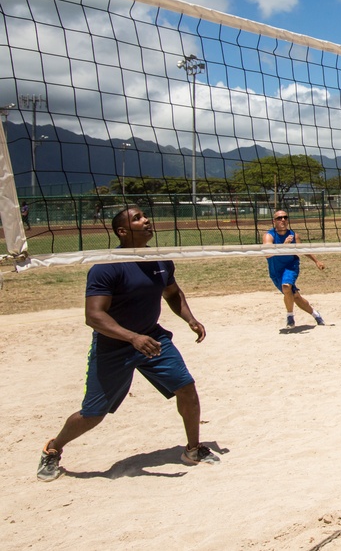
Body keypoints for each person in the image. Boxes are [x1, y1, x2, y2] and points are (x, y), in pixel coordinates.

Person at [36, 206, 218, 482]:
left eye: (145, 216)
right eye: (138, 218)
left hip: (153, 338)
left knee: (186, 388)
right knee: (93, 414)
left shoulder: (160, 261)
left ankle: (193, 449)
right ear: (122, 231)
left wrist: (190, 319)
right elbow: (94, 316)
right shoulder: (106, 268)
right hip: (114, 347)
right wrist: (132, 337)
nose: (146, 220)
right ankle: (53, 449)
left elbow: (172, 292)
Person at [264, 210, 326, 328]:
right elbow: (268, 254)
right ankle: (316, 314)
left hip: (290, 266)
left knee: (286, 286)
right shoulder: (269, 236)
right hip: (276, 271)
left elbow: (302, 250)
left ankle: (290, 317)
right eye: (279, 218)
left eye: (285, 217)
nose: (283, 220)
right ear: (274, 221)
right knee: (295, 297)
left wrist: (316, 261)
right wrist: (283, 246)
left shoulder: (293, 235)